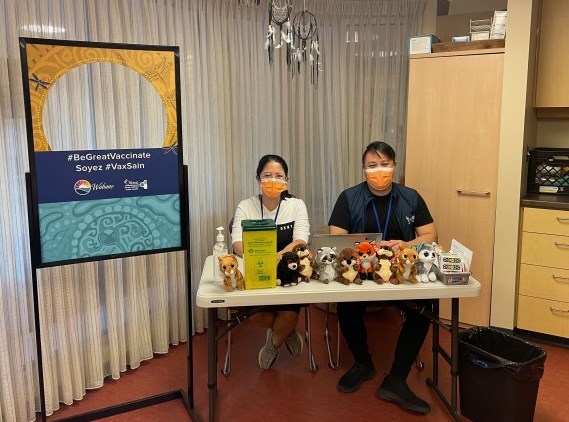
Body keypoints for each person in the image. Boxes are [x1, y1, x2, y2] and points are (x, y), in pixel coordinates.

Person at [328, 141, 438, 415]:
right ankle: (363, 363)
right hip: (362, 274)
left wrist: (407, 244)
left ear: (395, 167)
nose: (380, 171)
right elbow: (336, 238)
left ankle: (397, 379)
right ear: (363, 169)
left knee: (426, 305)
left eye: (385, 164)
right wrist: (366, 250)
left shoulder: (411, 197)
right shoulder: (348, 197)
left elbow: (430, 235)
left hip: (400, 272)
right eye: (372, 165)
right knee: (346, 305)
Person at [231, 154, 310, 370]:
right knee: (255, 315)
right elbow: (237, 242)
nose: (273, 180)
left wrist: (279, 256)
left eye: (279, 176)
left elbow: (301, 239)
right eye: (267, 175)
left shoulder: (296, 205)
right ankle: (287, 332)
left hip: (287, 271)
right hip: (256, 271)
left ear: (286, 181)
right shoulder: (246, 206)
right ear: (258, 178)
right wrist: (263, 258)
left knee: (289, 313)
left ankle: (272, 345)